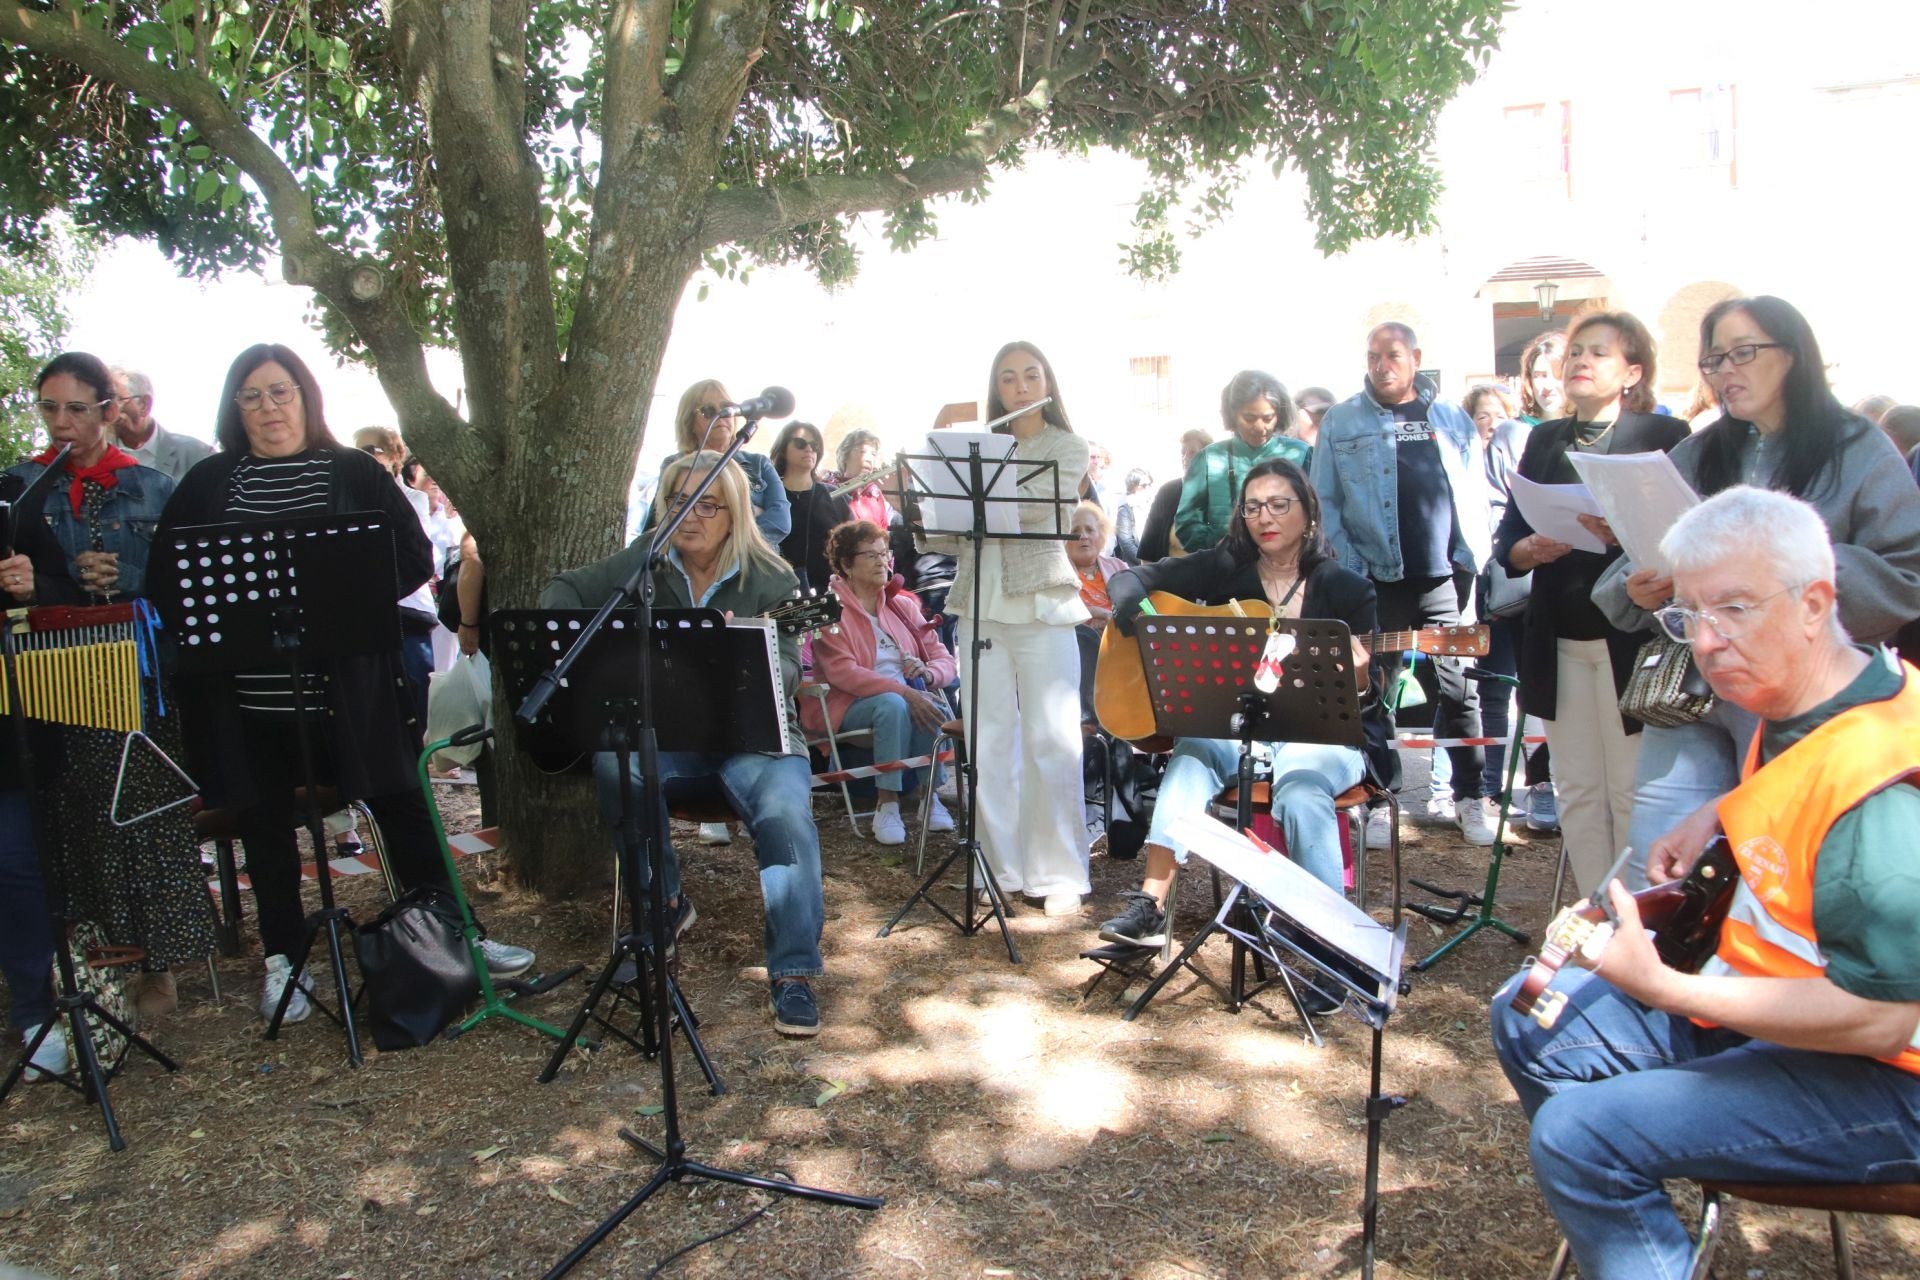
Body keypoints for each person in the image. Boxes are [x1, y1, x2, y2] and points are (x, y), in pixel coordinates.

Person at [1490, 485, 1920, 1280]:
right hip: (1793, 1014)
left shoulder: (1882, 793)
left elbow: (1881, 1021)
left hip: (1888, 1084)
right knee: (1529, 1018)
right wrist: (1724, 809)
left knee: (1581, 1133)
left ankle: (1616, 1171)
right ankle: (1631, 1201)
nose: (1707, 643)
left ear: (1815, 603)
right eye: (1687, 617)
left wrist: (1667, 989)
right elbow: (1814, 778)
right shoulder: (1829, 691)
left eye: (1733, 610)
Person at [153, 344, 533, 1023]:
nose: (268, 408)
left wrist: (346, 607)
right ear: (234, 408)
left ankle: (459, 935)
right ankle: (285, 962)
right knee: (265, 826)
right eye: (252, 396)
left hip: (350, 696)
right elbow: (171, 582)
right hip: (249, 703)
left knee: (404, 807)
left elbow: (415, 558)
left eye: (281, 392)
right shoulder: (211, 483)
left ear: (306, 398)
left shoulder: (353, 471)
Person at [1592, 295, 1920, 887]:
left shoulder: (1857, 447)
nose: (1725, 373)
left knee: (1780, 864)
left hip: (1797, 702)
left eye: (1743, 353)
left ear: (1793, 355)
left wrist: (1778, 578)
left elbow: (1905, 575)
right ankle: (1656, 973)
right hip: (1690, 688)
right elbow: (1638, 557)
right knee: (1656, 863)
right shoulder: (1700, 449)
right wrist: (1637, 588)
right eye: (1713, 361)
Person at [544, 451, 829, 1036]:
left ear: (735, 512)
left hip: (757, 740)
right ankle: (666, 907)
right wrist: (582, 645)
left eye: (707, 504)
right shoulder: (645, 561)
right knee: (615, 766)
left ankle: (794, 972)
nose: (691, 517)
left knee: (785, 815)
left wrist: (738, 656)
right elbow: (565, 588)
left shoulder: (771, 577)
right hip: (671, 738)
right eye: (678, 503)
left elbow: (789, 671)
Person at [1097, 459, 1386, 961]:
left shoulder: (1347, 589)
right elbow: (1137, 578)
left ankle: (1332, 944)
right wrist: (1129, 603)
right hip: (1240, 727)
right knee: (1190, 756)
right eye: (1253, 506)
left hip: (1322, 737)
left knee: (1299, 788)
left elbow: (1371, 696)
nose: (1264, 517)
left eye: (1279, 504)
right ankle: (1150, 906)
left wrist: (1358, 675)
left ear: (1309, 514)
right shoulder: (1225, 565)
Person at [4, 351, 215, 1024]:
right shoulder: (18, 488)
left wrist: (124, 575)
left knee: (141, 818)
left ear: (110, 410)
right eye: (50, 408)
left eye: (78, 409)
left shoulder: (153, 486)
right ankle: (91, 965)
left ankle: (160, 964)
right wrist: (43, 584)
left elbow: (182, 587)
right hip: (48, 680)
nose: (62, 422)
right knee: (70, 824)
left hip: (133, 674)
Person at [1493, 313, 1688, 896]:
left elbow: (1686, 533)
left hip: (1634, 642)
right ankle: (1593, 912)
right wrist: (1523, 550)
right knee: (1578, 790)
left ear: (1632, 372)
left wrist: (1626, 530)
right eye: (1575, 350)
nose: (1579, 361)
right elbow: (1509, 532)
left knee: (1631, 789)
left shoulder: (1663, 436)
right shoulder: (1545, 438)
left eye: (1598, 353)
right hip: (1557, 639)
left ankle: (1634, 919)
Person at [922, 341, 1091, 914]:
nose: (1019, 386)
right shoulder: (971, 450)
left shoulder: (1066, 446)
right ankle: (997, 864)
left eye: (1030, 375)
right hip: (978, 601)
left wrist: (979, 479)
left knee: (1052, 737)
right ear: (995, 388)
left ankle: (1059, 871)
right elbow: (941, 533)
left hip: (1042, 601)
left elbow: (1038, 507)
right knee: (988, 738)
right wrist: (935, 481)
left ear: (1047, 383)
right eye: (1008, 378)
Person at [1312, 322, 1496, 845]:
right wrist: (1353, 571)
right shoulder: (1341, 421)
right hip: (1374, 578)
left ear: (1415, 358)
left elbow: (1475, 493)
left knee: (1459, 689)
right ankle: (1379, 800)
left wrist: (1473, 560)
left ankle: (1468, 796)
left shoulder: (1451, 418)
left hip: (1445, 575)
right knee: (1373, 691)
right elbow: (1326, 502)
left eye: (1392, 355)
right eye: (1373, 356)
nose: (1381, 365)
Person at [802, 519, 956, 846]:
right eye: (870, 555)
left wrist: (928, 674)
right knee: (895, 703)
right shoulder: (830, 612)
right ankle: (887, 805)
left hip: (902, 699)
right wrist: (903, 690)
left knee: (929, 701)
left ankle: (930, 798)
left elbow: (943, 658)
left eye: (885, 554)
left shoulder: (903, 606)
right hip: (847, 706)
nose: (882, 562)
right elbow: (845, 674)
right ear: (846, 564)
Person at [1463, 383, 1554, 831]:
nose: (1492, 425)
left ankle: (1542, 787)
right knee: (1493, 695)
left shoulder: (1536, 458)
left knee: (1537, 696)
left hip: (1539, 599)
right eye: (1483, 417)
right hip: (1494, 602)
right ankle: (1489, 788)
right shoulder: (1470, 477)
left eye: (1498, 416)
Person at [354, 426, 441, 733]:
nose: (361, 459)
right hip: (370, 614)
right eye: (357, 451)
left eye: (370, 451)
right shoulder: (352, 499)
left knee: (416, 687)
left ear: (394, 457)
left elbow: (416, 555)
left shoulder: (413, 499)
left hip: (409, 611)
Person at [1174, 370, 1310, 553]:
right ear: (1232, 414)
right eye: (1249, 418)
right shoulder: (1208, 459)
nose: (1259, 427)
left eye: (1268, 418)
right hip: (1227, 571)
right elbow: (1186, 524)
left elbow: (1319, 517)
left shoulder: (1303, 455)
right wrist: (1220, 542)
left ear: (1279, 415)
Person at [1066, 499, 1133, 841]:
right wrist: (1097, 613)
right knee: (1082, 634)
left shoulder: (1118, 567)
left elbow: (1136, 609)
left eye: (1090, 530)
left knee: (1094, 635)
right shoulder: (1060, 572)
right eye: (1074, 531)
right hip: (1075, 666)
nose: (1082, 537)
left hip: (1120, 660)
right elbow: (1065, 611)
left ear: (1102, 535)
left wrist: (1105, 617)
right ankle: (1092, 715)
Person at [664, 380, 791, 547]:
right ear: (689, 423)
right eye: (708, 410)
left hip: (750, 566)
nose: (721, 414)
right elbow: (664, 522)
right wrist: (751, 514)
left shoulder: (759, 464)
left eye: (726, 408)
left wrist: (722, 541)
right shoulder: (674, 465)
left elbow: (780, 522)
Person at [769, 420, 850, 593]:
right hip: (779, 596)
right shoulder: (768, 496)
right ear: (783, 449)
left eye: (814, 445)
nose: (809, 449)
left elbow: (853, 544)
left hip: (832, 595)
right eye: (800, 443)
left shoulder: (835, 496)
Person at [109, 366, 212, 482]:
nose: (108, 409)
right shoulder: (95, 456)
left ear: (144, 404)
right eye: (104, 402)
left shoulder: (198, 455)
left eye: (116, 400)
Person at [1138, 428, 1210, 562]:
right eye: (1183, 452)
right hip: (1168, 579)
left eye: (1192, 452)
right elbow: (1148, 550)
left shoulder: (1221, 493)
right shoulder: (1168, 492)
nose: (1185, 458)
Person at [834, 429, 893, 530]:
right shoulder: (830, 489)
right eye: (863, 451)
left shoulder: (875, 493)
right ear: (845, 455)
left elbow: (883, 532)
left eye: (873, 454)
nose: (869, 459)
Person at [1516, 330, 1567, 425]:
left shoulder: (1589, 430)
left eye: (1557, 376)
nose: (1548, 386)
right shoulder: (1517, 430)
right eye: (1539, 376)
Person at [1112, 467, 1152, 564]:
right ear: (1133, 486)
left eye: (1150, 484)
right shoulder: (1125, 509)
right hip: (1136, 565)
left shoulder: (1152, 504)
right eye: (1144, 485)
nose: (1148, 488)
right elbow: (1126, 544)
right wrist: (1145, 562)